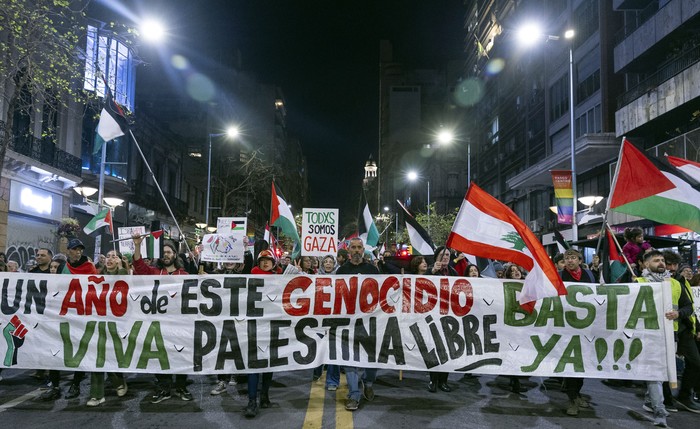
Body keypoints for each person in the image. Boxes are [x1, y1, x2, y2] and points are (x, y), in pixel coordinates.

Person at [131, 233, 192, 404]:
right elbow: (139, 266)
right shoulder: (154, 272)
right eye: (163, 252)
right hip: (159, 322)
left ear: (175, 255)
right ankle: (164, 387)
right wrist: (137, 245)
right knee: (160, 355)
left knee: (181, 354)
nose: (166, 255)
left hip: (180, 323)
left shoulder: (185, 274)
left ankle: (180, 386)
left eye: (169, 252)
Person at [638, 250, 690, 427]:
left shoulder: (675, 284)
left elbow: (688, 307)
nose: (661, 263)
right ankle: (659, 410)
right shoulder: (637, 283)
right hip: (646, 335)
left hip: (670, 335)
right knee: (656, 372)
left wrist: (678, 313)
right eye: (656, 260)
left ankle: (649, 399)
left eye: (662, 260)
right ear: (646, 264)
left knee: (664, 371)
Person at [337, 237, 380, 411]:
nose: (356, 250)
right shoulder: (342, 271)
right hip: (349, 321)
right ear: (348, 251)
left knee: (374, 357)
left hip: (370, 320)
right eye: (353, 247)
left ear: (363, 250)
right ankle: (354, 394)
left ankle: (368, 382)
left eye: (359, 247)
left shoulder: (373, 270)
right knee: (350, 357)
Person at [87, 250, 129, 406]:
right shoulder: (97, 275)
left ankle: (118, 381)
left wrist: (122, 268)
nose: (110, 259)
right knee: (97, 355)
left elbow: (126, 285)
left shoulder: (124, 274)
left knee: (111, 355)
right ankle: (96, 395)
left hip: (118, 322)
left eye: (114, 256)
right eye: (108, 256)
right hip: (99, 320)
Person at [558, 248, 594, 416]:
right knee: (571, 363)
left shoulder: (589, 275)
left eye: (573, 258)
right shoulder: (559, 276)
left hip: (586, 326)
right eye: (567, 258)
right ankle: (571, 399)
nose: (570, 261)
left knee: (582, 364)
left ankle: (578, 393)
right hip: (565, 326)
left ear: (580, 260)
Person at [244, 249, 278, 418]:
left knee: (269, 363)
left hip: (271, 327)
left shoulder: (279, 280)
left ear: (274, 263)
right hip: (253, 327)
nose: (265, 263)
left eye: (269, 260)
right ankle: (252, 401)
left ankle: (264, 396)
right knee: (254, 365)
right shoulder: (249, 277)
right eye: (262, 260)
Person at [427, 246, 456, 393]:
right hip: (434, 314)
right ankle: (433, 379)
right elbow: (421, 283)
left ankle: (444, 381)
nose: (446, 257)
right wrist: (431, 272)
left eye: (448, 255)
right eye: (443, 255)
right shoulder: (431, 270)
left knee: (448, 349)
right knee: (435, 348)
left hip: (450, 315)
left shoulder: (454, 272)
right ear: (436, 257)